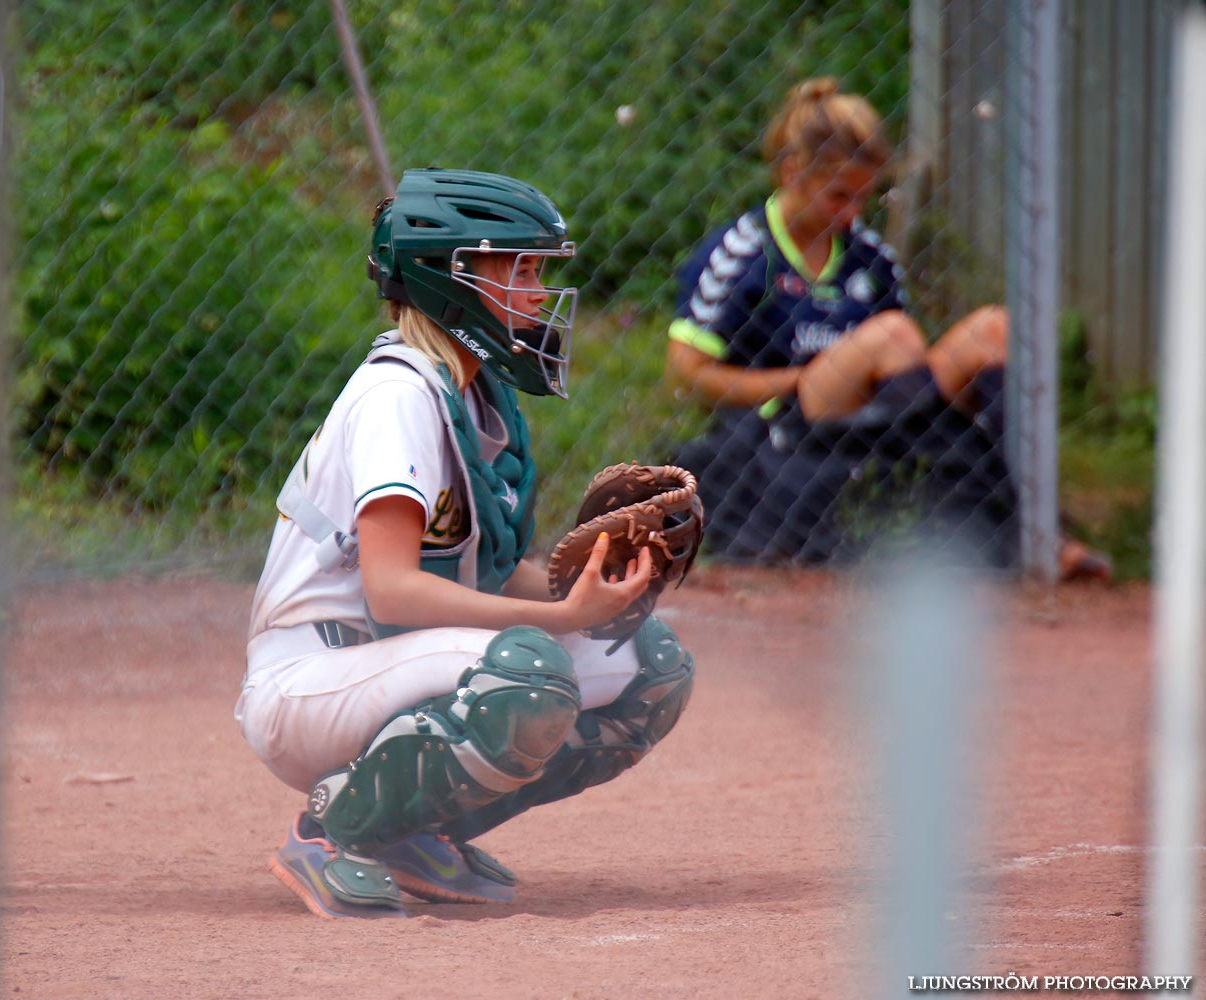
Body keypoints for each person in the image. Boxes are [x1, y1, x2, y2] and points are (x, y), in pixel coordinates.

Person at [237, 168, 697, 919]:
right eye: (518, 267)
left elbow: (482, 572)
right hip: (314, 677)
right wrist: (560, 620)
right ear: (449, 278)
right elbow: (393, 589)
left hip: (398, 662)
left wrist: (588, 592)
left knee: (650, 666)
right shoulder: (398, 396)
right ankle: (330, 833)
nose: (540, 291)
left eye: (539, 268)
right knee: (531, 672)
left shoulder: (473, 394)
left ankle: (406, 829)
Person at [665, 77, 1109, 579]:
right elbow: (686, 374)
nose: (852, 213)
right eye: (837, 196)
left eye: (863, 198)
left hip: (880, 417)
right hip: (787, 418)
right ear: (792, 173)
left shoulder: (871, 257)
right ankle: (1003, 531)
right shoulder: (744, 252)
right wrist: (793, 381)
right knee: (894, 334)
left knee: (993, 330)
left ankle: (1033, 524)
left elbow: (907, 371)